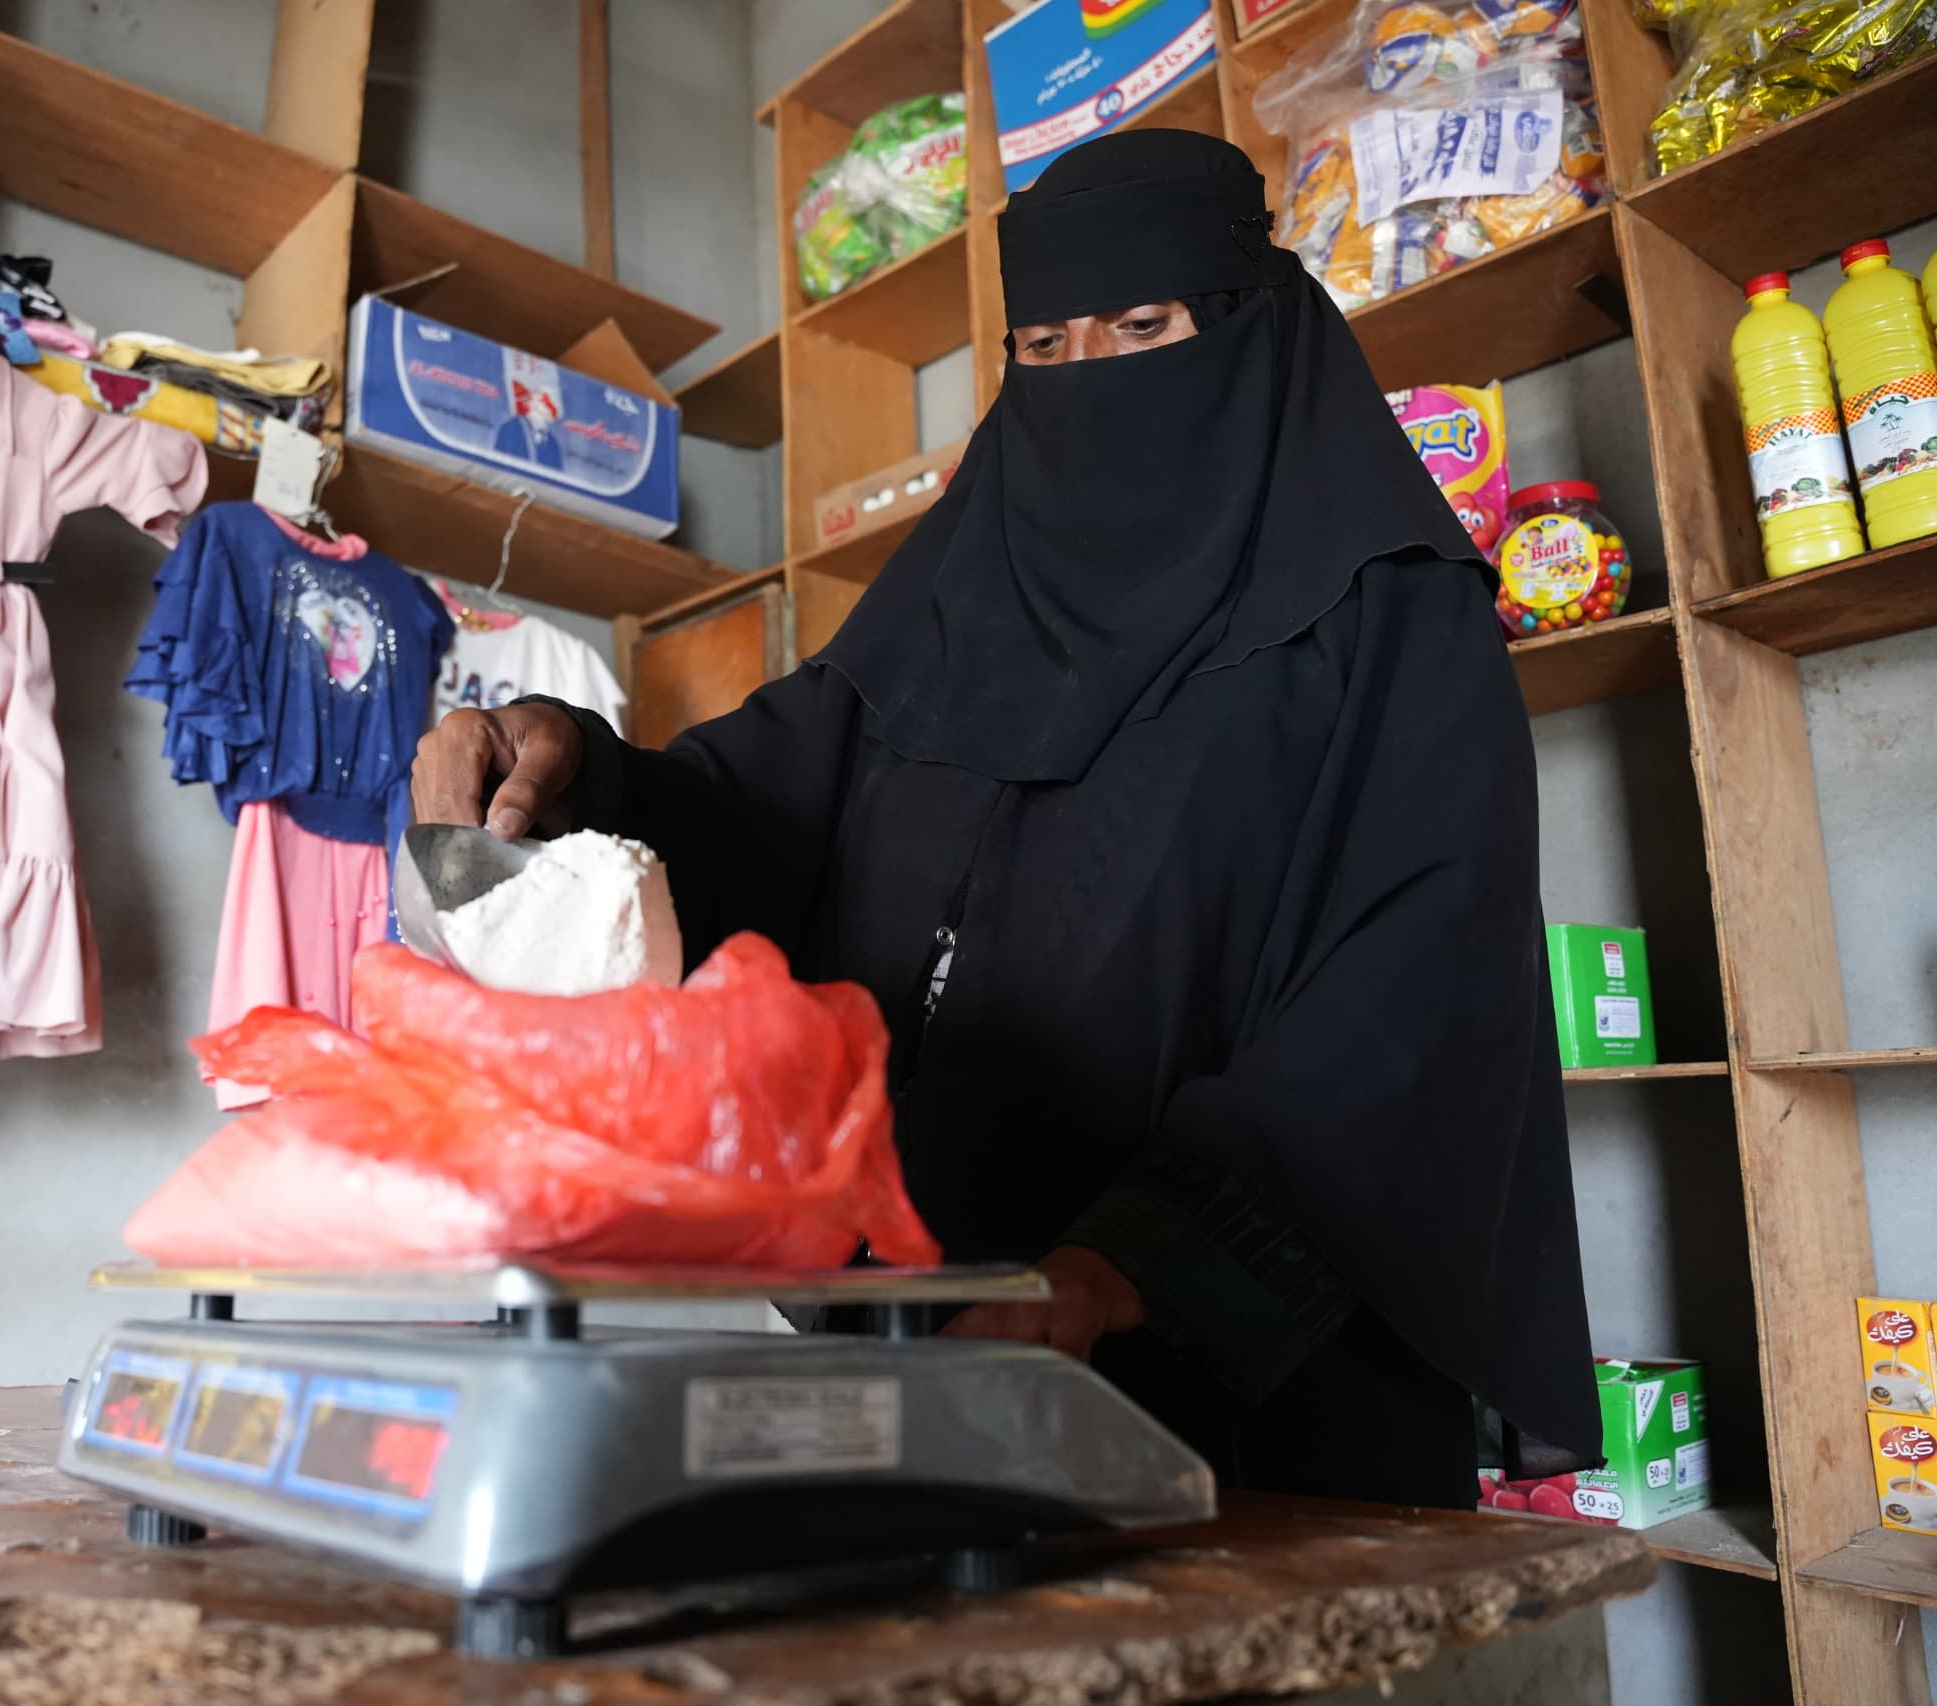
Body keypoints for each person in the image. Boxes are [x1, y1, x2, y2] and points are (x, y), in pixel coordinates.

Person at [410, 130, 1597, 1507]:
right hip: (936, 1347)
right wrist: (572, 770)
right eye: (1042, 344)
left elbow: (1417, 989)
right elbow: (751, 818)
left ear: (1249, 325)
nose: (1088, 375)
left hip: (1245, 1385)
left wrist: (1122, 1267)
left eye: (1142, 327)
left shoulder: (1388, 616)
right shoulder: (953, 609)